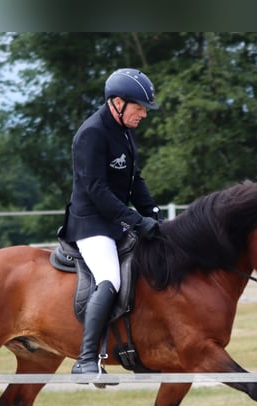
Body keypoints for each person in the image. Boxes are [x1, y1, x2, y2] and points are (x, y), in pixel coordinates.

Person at [59, 68, 163, 375]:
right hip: (91, 223)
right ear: (117, 102)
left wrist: (155, 216)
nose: (144, 114)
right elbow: (97, 190)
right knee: (110, 279)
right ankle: (87, 359)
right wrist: (136, 221)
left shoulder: (125, 130)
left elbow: (134, 180)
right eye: (139, 107)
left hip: (115, 221)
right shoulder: (91, 133)